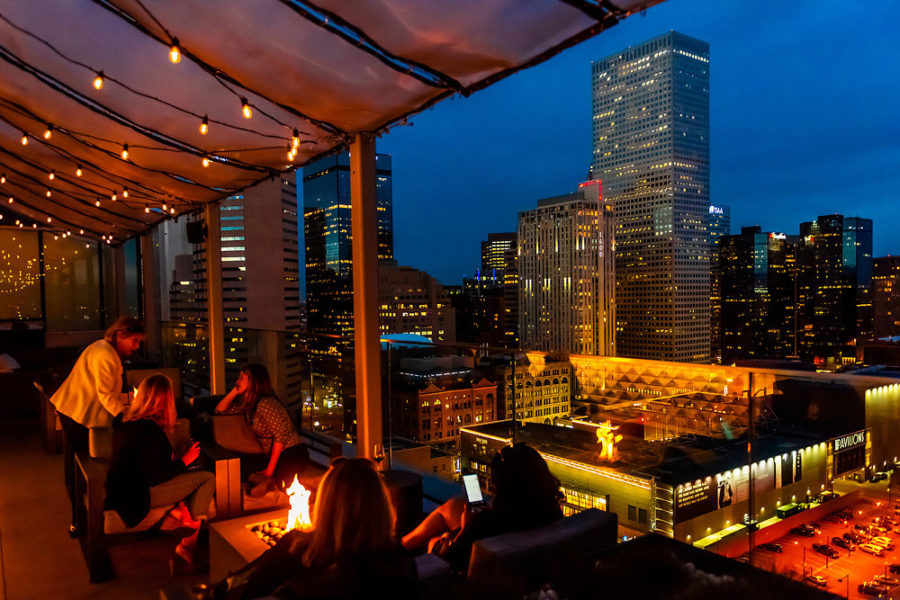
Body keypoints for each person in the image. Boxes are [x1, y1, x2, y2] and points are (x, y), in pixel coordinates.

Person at [213, 458, 416, 600]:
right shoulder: (399, 566)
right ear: (381, 506)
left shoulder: (296, 552)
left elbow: (252, 590)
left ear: (326, 504)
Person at [105, 374, 215, 573]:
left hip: (119, 490)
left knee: (186, 481)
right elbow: (155, 476)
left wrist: (178, 459)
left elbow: (147, 462)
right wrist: (185, 461)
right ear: (166, 400)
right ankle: (188, 541)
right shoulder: (149, 429)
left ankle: (178, 514)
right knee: (207, 478)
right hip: (137, 495)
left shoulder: (125, 421)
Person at [402, 442, 564, 571]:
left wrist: (466, 527)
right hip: (512, 532)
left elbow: (451, 559)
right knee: (456, 505)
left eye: (494, 484)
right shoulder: (550, 511)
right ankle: (404, 543)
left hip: (468, 563)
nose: (492, 488)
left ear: (502, 488)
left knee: (434, 540)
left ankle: (401, 546)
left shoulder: (483, 524)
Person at [51, 316, 145, 451]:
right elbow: (105, 393)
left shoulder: (104, 347)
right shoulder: (105, 355)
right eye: (135, 340)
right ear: (119, 335)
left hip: (74, 407)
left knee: (80, 456)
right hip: (76, 411)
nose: (137, 346)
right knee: (86, 459)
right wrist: (126, 415)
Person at [214, 364, 309, 492]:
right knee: (240, 463)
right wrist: (235, 391)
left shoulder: (266, 403)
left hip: (291, 452)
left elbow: (280, 436)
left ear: (253, 381)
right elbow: (219, 410)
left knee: (284, 481)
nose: (237, 381)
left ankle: (268, 482)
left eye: (242, 377)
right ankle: (262, 482)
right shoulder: (247, 404)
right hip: (269, 453)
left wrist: (270, 470)